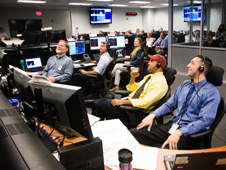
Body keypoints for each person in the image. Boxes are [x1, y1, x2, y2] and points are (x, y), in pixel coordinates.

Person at [130, 55, 221, 150]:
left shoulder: (211, 93)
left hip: (189, 134)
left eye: (192, 63)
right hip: (173, 126)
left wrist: (180, 132)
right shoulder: (185, 85)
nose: (187, 65)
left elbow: (204, 121)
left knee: (157, 153)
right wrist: (152, 115)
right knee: (132, 134)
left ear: (202, 68)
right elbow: (170, 105)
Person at [92, 54, 168, 128]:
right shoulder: (149, 77)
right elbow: (131, 89)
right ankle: (95, 130)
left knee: (98, 105)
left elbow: (145, 102)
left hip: (135, 113)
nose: (148, 63)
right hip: (128, 105)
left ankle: (92, 130)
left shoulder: (160, 82)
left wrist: (122, 102)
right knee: (98, 107)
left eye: (152, 61)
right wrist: (132, 77)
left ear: (159, 65)